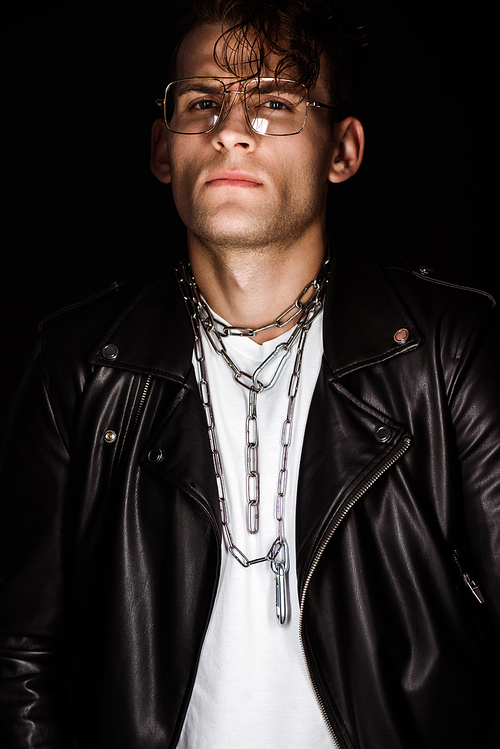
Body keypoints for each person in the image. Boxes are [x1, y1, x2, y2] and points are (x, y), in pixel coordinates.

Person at [1, 0, 499, 747]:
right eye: (201, 102)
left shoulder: (444, 350)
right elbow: (20, 659)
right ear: (164, 147)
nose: (231, 128)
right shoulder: (80, 364)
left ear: (344, 150)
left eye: (275, 102)